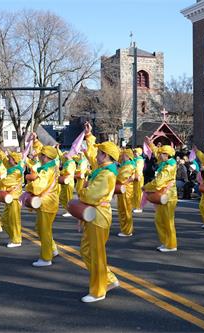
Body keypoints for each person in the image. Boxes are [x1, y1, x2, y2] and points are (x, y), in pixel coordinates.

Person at [78, 122, 120, 303]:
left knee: (96, 254)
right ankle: (108, 279)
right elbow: (92, 156)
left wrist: (82, 190)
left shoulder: (106, 174)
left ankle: (98, 290)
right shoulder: (101, 169)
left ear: (106, 155)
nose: (97, 154)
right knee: (87, 250)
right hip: (95, 215)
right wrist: (89, 136)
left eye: (100, 152)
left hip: (99, 216)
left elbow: (90, 195)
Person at [25, 143, 61, 267]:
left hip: (46, 203)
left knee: (43, 230)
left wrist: (28, 186)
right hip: (50, 203)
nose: (39, 157)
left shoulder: (46, 170)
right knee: (43, 229)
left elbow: (37, 187)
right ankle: (52, 249)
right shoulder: (52, 168)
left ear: (46, 157)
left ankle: (46, 258)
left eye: (41, 155)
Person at [143, 137, 178, 252]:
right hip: (162, 196)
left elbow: (158, 182)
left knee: (168, 221)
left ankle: (171, 245)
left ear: (167, 155)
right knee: (159, 220)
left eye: (162, 153)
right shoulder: (164, 163)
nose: (159, 155)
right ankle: (165, 242)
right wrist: (151, 144)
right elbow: (156, 152)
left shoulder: (169, 167)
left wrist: (146, 187)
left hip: (169, 197)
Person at [0, 151, 24, 248]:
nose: (8, 160)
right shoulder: (11, 168)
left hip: (15, 199)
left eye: (11, 158)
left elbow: (8, 180)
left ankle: (16, 240)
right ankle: (13, 237)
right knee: (4, 220)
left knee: (14, 220)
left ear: (15, 161)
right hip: (9, 198)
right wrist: (0, 151)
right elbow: (5, 161)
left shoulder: (17, 171)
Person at [116, 148, 136, 237]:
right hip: (122, 189)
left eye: (123, 155)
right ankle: (125, 229)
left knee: (125, 210)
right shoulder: (124, 164)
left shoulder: (128, 166)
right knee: (122, 209)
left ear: (127, 156)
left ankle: (127, 231)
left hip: (125, 190)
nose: (122, 156)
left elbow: (121, 178)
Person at [59, 152, 76, 217]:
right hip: (65, 180)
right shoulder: (67, 162)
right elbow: (60, 155)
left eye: (66, 154)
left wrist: (60, 172)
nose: (65, 155)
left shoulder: (71, 163)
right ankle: (67, 209)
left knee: (68, 197)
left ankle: (70, 211)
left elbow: (68, 171)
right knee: (63, 196)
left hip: (69, 181)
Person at [132, 148, 145, 213]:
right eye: (134, 152)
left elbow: (138, 169)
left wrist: (137, 176)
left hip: (138, 177)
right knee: (134, 192)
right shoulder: (134, 159)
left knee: (139, 192)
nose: (134, 153)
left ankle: (139, 207)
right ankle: (135, 206)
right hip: (134, 177)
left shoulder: (140, 159)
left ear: (139, 153)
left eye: (136, 152)